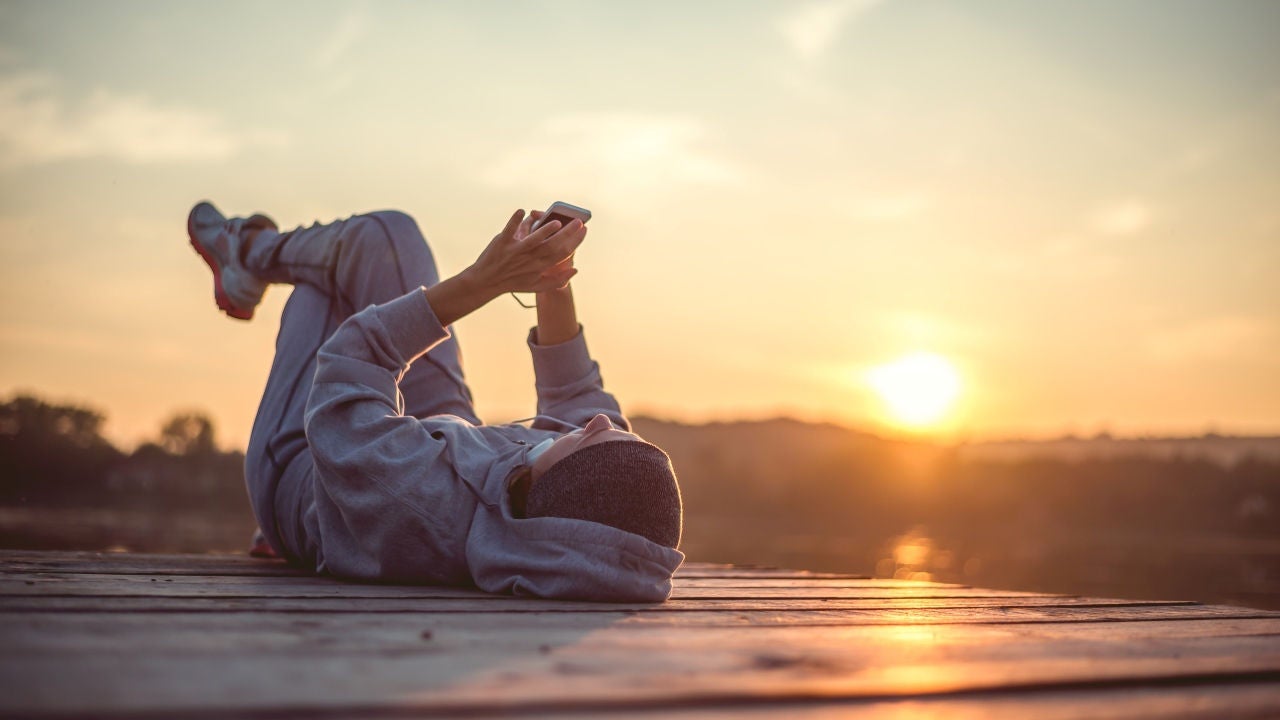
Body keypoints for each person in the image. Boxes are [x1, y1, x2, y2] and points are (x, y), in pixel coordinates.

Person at [186, 201, 684, 602]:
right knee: (383, 241)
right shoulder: (555, 501)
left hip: (304, 467)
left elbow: (351, 360)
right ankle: (248, 254)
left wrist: (486, 280)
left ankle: (245, 252)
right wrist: (552, 274)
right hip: (443, 435)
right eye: (622, 438)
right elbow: (577, 392)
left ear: (551, 489)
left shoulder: (418, 501)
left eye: (597, 440)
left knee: (342, 268)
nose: (600, 422)